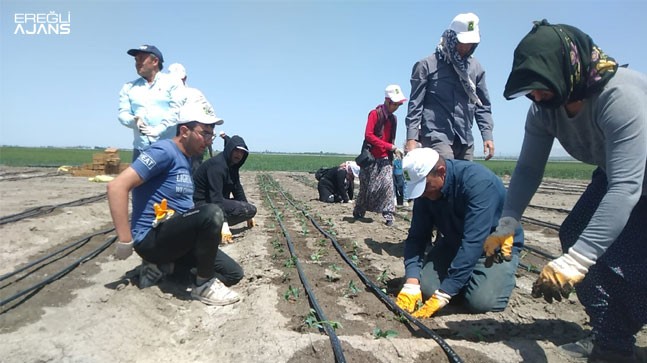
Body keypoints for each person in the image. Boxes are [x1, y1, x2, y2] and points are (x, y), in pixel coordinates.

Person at [484, 20, 647, 362]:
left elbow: (626, 186)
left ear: (567, 69)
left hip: (632, 181)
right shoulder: (545, 109)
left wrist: (578, 260)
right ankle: (612, 341)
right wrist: (508, 221)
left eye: (543, 87)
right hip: (617, 176)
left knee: (630, 265)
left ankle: (616, 340)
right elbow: (529, 168)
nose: (537, 96)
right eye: (531, 89)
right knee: (574, 231)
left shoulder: (620, 98)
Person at [108, 104, 243, 306]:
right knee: (212, 212)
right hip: (152, 239)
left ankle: (165, 269)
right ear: (184, 131)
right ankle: (203, 285)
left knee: (233, 273)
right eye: (204, 134)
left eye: (211, 136)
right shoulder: (163, 151)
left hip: (176, 239)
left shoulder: (186, 159)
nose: (208, 141)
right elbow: (117, 186)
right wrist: (125, 240)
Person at [394, 148, 523, 319]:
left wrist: (445, 292)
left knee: (481, 302)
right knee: (425, 289)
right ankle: (464, 280)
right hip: (454, 243)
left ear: (441, 172)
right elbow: (416, 237)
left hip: (491, 247)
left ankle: (498, 276)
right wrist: (411, 282)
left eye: (425, 187)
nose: (423, 193)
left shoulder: (478, 183)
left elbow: (474, 242)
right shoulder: (425, 193)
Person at [404, 13, 495, 161]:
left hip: (465, 137)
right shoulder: (427, 66)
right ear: (451, 38)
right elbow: (415, 105)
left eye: (471, 43)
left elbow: (482, 105)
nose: (466, 47)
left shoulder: (475, 68)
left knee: (465, 179)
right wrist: (411, 138)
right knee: (445, 175)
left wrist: (487, 135)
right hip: (436, 135)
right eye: (462, 42)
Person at [118, 44, 184, 160]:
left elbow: (176, 111)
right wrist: (134, 120)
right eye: (136, 59)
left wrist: (158, 129)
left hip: (167, 149)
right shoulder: (128, 87)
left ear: (155, 61)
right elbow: (123, 114)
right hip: (140, 150)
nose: (137, 63)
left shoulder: (173, 82)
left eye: (142, 59)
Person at [353, 84, 404, 226]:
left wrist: (391, 151)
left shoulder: (393, 119)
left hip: (385, 158)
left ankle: (388, 214)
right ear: (388, 101)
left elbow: (390, 139)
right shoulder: (374, 114)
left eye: (399, 105)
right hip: (370, 158)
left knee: (388, 185)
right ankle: (359, 210)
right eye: (396, 104)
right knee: (366, 187)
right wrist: (390, 146)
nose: (397, 107)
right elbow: (368, 135)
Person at [193, 134, 257, 244]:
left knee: (249, 209)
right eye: (236, 150)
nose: (239, 154)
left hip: (214, 203)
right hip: (200, 205)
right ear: (230, 149)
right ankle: (212, 226)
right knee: (244, 209)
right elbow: (215, 196)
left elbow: (237, 189)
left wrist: (249, 217)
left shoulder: (232, 167)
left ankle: (214, 224)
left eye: (242, 152)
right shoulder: (217, 166)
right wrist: (224, 224)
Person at [167, 63, 224, 173]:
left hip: (193, 143)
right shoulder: (167, 95)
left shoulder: (193, 94)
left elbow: (210, 115)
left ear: (184, 78)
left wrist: (207, 135)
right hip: (176, 144)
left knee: (191, 173)